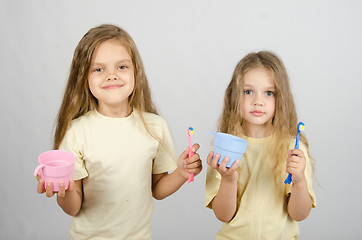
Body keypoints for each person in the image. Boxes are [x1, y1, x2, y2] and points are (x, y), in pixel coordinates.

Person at [35, 24, 202, 239]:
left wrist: (181, 172)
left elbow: (158, 190)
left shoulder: (155, 127)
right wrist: (64, 190)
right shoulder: (77, 132)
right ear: (84, 77)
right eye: (99, 69)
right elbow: (73, 207)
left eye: (121, 67)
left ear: (136, 72)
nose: (112, 76)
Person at [205, 51, 316, 239]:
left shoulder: (293, 148)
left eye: (269, 93)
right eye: (248, 92)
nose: (258, 101)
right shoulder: (224, 146)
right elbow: (223, 215)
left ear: (281, 98)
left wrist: (299, 181)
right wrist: (228, 179)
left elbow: (300, 214)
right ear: (234, 96)